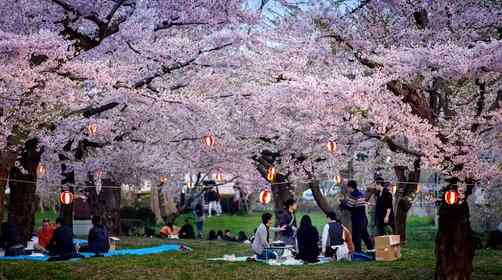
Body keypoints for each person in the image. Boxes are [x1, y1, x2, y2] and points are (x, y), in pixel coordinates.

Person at [340, 180, 374, 252]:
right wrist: (345, 201)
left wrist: (341, 203)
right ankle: (371, 250)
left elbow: (349, 207)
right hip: (364, 218)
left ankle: (358, 252)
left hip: (357, 219)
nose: (347, 189)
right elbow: (351, 203)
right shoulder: (360, 194)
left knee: (356, 237)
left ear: (350, 187)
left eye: (347, 188)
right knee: (365, 235)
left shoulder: (354, 195)